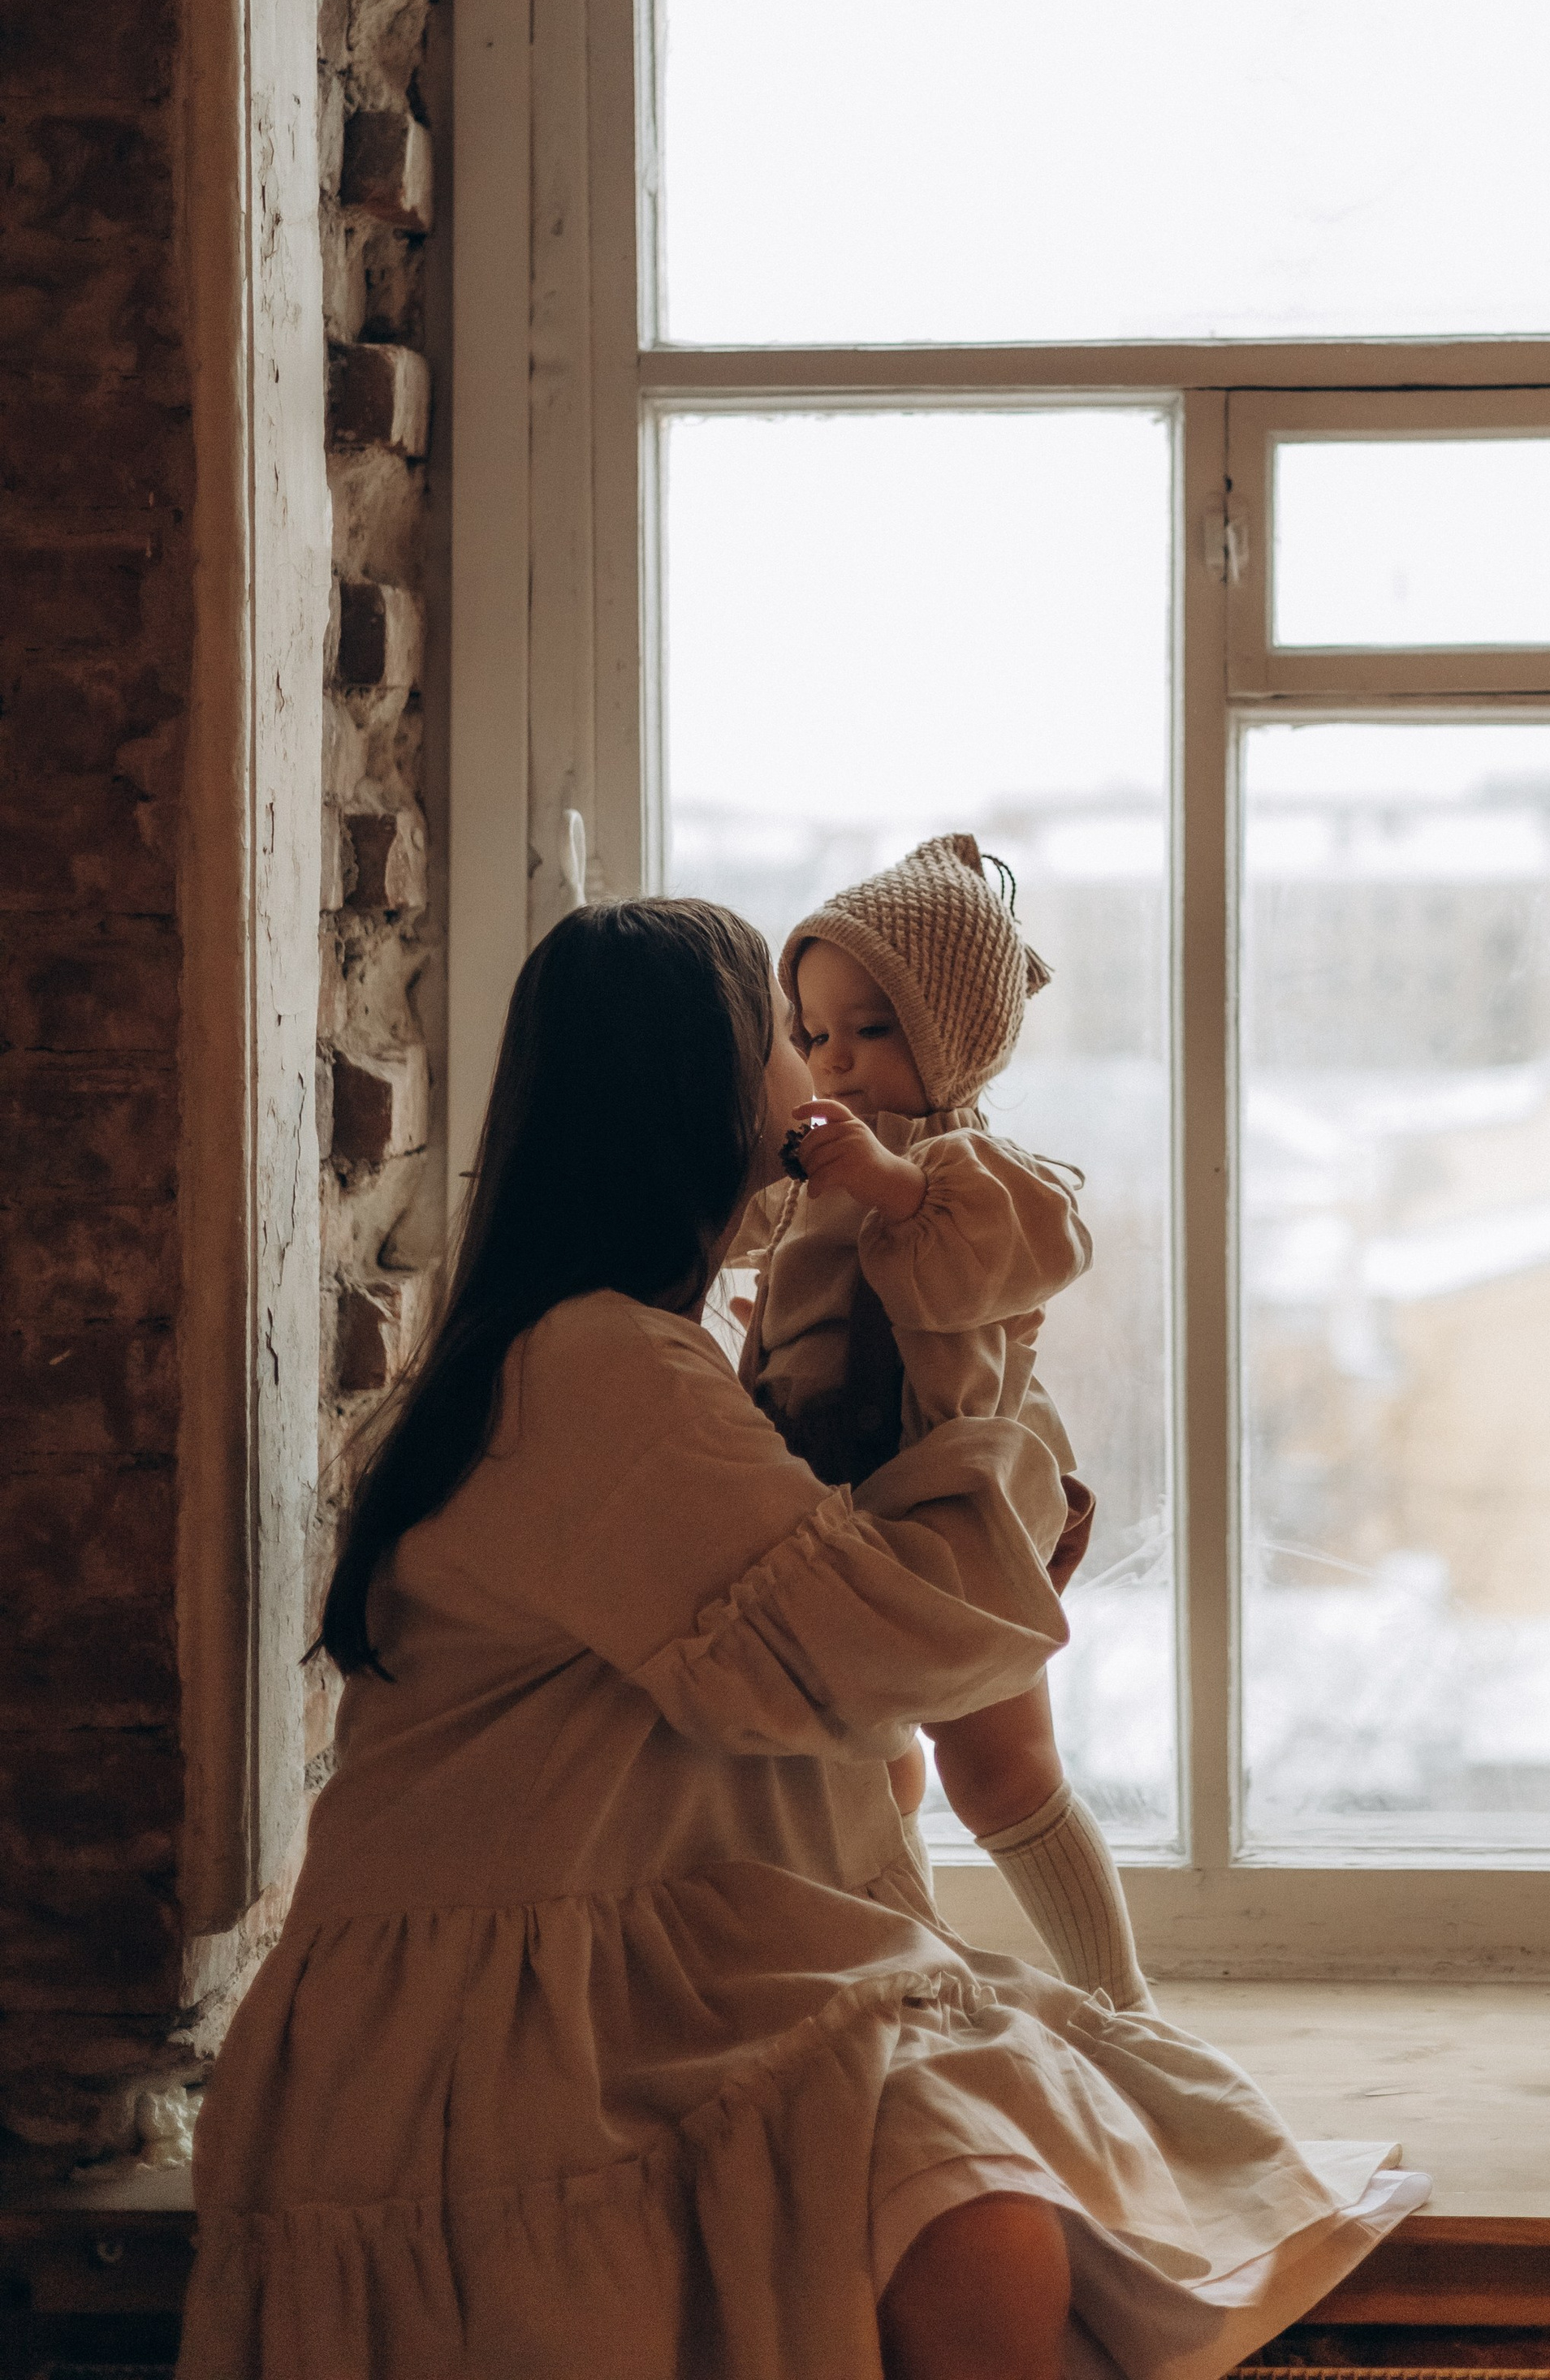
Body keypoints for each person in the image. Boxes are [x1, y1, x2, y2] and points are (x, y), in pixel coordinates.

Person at [178, 900, 1425, 2380]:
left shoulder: (626, 1347)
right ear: (700, 1092)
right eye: (782, 1033)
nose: (812, 1069)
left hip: (581, 1961)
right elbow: (873, 1653)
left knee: (988, 2189)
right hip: (497, 2036)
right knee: (989, 2212)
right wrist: (997, 1438)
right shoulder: (601, 1371)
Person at [731, 832, 1146, 2011]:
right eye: (811, 1037)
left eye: (871, 1029)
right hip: (837, 1499)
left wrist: (891, 1184)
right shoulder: (823, 1173)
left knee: (1004, 1770)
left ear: (952, 1035)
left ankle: (1122, 1997)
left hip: (954, 1509)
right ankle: (901, 1980)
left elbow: (1025, 1252)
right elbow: (780, 1270)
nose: (836, 1063)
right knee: (869, 1775)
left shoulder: (975, 1169)